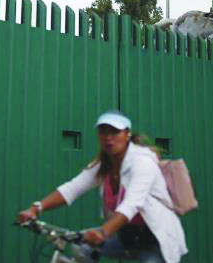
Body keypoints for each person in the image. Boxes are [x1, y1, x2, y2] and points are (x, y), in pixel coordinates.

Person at [16, 110, 187, 263]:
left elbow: (132, 204)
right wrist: (36, 208)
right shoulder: (104, 165)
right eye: (103, 132)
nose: (108, 137)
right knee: (81, 246)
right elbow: (72, 188)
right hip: (127, 237)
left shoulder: (142, 162)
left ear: (127, 134)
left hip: (155, 241)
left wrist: (103, 232)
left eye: (115, 132)